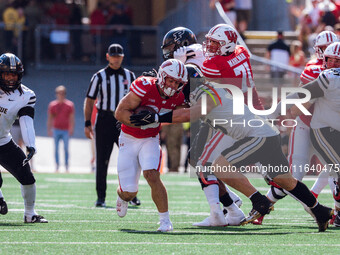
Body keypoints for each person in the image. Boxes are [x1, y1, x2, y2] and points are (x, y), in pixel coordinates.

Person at [161, 26, 244, 226]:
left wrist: (179, 67)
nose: (168, 51)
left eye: (172, 46)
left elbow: (192, 97)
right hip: (222, 111)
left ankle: (226, 209)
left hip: (221, 113)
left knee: (199, 159)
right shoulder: (198, 55)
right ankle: (231, 206)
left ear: (182, 45)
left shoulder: (192, 61)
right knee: (200, 161)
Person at [253, 30, 339, 225]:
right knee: (295, 174)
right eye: (326, 54)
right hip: (308, 127)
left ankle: (333, 210)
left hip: (329, 129)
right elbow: (303, 100)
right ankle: (263, 206)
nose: (331, 61)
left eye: (335, 56)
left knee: (334, 170)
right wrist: (283, 111)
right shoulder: (314, 69)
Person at [114, 59, 187, 232]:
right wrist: (136, 121)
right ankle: (122, 196)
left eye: (177, 82)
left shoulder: (178, 97)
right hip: (129, 138)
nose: (173, 85)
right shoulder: (145, 86)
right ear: (162, 77)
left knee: (152, 175)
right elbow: (119, 112)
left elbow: (183, 115)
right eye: (171, 80)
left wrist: (155, 121)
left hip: (150, 138)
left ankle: (165, 220)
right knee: (129, 192)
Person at [84, 43, 140, 208]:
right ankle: (101, 197)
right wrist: (88, 122)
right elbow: (90, 101)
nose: (116, 59)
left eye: (119, 56)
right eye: (113, 56)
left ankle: (132, 194)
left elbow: (138, 99)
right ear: (108, 57)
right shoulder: (99, 76)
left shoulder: (130, 75)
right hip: (104, 119)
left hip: (124, 120)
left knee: (130, 159)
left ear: (122, 57)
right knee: (102, 160)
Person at [0, 53, 47, 223]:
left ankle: (30, 214)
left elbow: (26, 121)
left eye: (13, 74)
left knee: (27, 177)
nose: (10, 78)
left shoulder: (25, 95)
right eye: (6, 74)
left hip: (3, 141)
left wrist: (31, 145)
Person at [47, 85, 75, 172]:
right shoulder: (52, 105)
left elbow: (72, 118)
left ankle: (66, 165)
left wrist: (71, 128)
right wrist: (49, 129)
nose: (60, 95)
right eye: (59, 93)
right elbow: (50, 118)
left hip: (65, 130)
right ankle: (57, 165)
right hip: (56, 129)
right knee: (56, 148)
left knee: (66, 148)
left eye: (62, 93)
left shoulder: (69, 105)